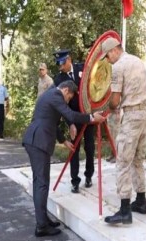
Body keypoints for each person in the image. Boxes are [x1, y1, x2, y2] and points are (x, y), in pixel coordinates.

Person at [22, 80, 105, 237]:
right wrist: (91, 118)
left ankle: (43, 219)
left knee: (39, 182)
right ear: (66, 90)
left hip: (36, 140)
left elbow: (53, 122)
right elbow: (70, 115)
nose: (67, 102)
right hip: (38, 142)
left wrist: (63, 140)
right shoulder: (55, 95)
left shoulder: (50, 95)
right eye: (69, 98)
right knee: (41, 184)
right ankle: (41, 226)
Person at [100, 37, 146, 225]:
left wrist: (106, 106)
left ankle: (124, 210)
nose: (108, 60)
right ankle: (141, 201)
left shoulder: (118, 67)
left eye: (107, 56)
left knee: (122, 162)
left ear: (114, 50)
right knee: (138, 161)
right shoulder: (138, 61)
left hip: (131, 116)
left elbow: (114, 100)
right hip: (145, 114)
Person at [53, 49, 95, 193]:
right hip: (73, 117)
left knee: (90, 148)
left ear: (69, 59)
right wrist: (70, 123)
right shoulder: (58, 80)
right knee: (74, 149)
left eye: (62, 63)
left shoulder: (83, 69)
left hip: (88, 116)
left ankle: (89, 176)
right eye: (58, 64)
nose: (60, 67)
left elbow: (93, 87)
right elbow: (62, 105)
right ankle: (75, 181)